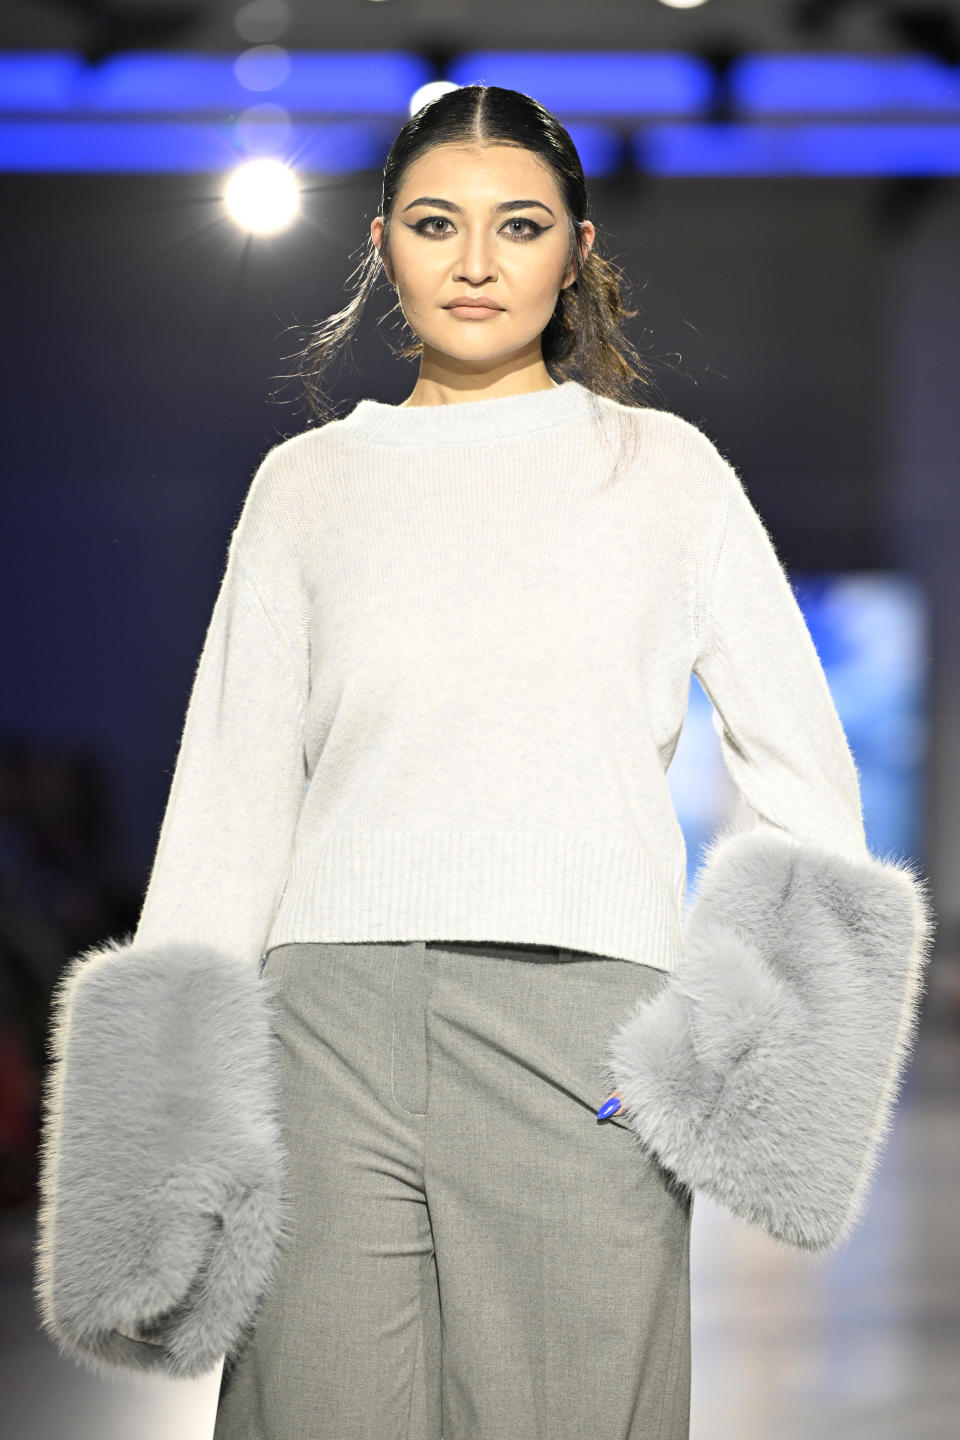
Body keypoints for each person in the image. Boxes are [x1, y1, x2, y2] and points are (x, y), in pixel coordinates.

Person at [35, 85, 936, 1440]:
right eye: (435, 223)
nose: (474, 261)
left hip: (582, 1036)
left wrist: (709, 1058)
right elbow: (229, 799)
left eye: (517, 225)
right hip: (321, 1032)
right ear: (383, 244)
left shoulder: (664, 475)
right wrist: (163, 1138)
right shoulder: (304, 487)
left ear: (576, 249)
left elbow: (811, 775)